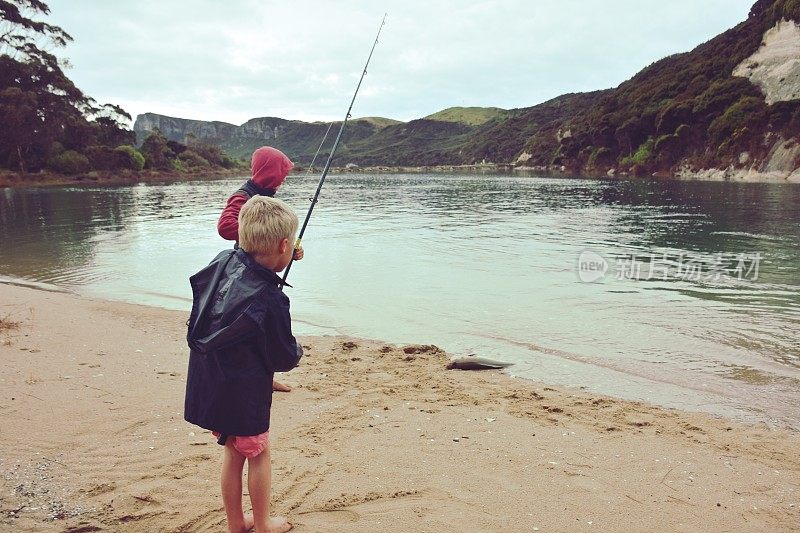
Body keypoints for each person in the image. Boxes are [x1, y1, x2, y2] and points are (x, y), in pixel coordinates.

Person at [185, 196, 302, 533]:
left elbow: (254, 262)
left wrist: (283, 255)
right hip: (245, 394)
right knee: (258, 453)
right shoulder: (272, 299)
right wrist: (298, 350)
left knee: (232, 454)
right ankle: (263, 525)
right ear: (283, 244)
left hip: (213, 385)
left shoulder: (223, 262)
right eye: (289, 244)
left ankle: (237, 524)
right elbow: (283, 356)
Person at [218, 146, 303, 393]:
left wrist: (292, 249)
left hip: (265, 268)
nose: (284, 179)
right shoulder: (243, 196)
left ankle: (267, 374)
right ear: (269, 171)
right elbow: (225, 227)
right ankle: (257, 373)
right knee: (250, 325)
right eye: (281, 173)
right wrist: (262, 234)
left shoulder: (268, 197)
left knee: (267, 324)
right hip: (246, 272)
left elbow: (279, 232)